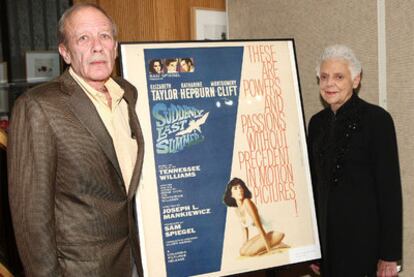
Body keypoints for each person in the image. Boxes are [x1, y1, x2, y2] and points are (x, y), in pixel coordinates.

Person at [7, 3, 144, 276]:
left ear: (115, 47)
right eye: (83, 38)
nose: (97, 46)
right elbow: (31, 218)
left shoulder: (129, 94)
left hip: (135, 261)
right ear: (65, 53)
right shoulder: (38, 107)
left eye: (104, 36)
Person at [308, 45, 402, 277]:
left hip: (365, 246)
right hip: (327, 246)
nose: (330, 84)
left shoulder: (378, 120)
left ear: (356, 80)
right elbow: (314, 188)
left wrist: (389, 255)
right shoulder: (316, 123)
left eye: (339, 77)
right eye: (324, 77)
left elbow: (389, 191)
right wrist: (313, 247)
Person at [223, 178, 286, 256]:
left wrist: (269, 250)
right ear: (231, 194)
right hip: (266, 234)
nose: (239, 190)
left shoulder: (247, 202)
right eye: (235, 188)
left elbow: (259, 227)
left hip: (274, 232)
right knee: (242, 251)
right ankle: (273, 245)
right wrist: (244, 247)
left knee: (249, 252)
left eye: (240, 187)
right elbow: (244, 230)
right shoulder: (237, 210)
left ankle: (273, 246)